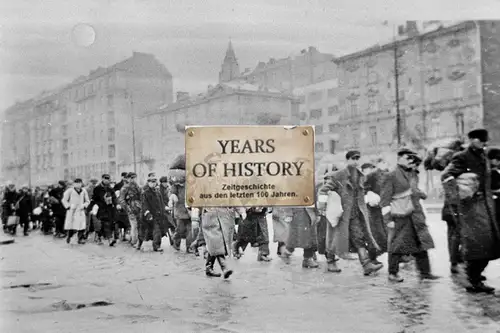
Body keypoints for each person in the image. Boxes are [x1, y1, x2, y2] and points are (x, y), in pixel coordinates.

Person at [442, 129, 500, 293]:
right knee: (479, 243)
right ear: (472, 140)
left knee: (489, 243)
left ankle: (474, 274)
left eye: (485, 141)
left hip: (487, 205)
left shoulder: (483, 156)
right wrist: (461, 194)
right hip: (471, 208)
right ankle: (473, 279)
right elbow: (446, 176)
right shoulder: (462, 157)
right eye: (481, 141)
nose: (484, 144)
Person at [317, 150, 382, 276]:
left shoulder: (361, 176)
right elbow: (323, 190)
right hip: (341, 215)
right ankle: (330, 261)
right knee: (335, 239)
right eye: (353, 158)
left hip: (356, 214)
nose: (356, 161)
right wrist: (323, 207)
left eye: (358, 158)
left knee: (359, 238)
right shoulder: (339, 175)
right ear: (347, 160)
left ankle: (366, 264)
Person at [380, 148, 439, 283]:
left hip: (416, 214)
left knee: (421, 242)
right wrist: (388, 219)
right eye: (408, 158)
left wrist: (420, 193)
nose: (411, 161)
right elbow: (384, 200)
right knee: (396, 245)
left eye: (412, 158)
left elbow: (413, 190)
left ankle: (425, 272)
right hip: (400, 216)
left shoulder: (413, 173)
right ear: (399, 158)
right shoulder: (391, 176)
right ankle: (393, 273)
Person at [362, 158, 390, 267]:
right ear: (378, 164)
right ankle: (371, 258)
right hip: (373, 209)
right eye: (382, 162)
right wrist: (370, 195)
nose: (384, 165)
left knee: (386, 233)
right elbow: (364, 188)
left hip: (385, 207)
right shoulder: (372, 175)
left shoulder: (389, 174)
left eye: (385, 162)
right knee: (376, 234)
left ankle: (374, 256)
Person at [140, 175, 165, 252]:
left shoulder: (158, 192)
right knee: (143, 231)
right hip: (149, 215)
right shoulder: (145, 193)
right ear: (148, 183)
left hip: (158, 215)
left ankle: (157, 246)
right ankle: (139, 243)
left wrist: (163, 211)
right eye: (151, 182)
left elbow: (161, 203)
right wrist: (147, 213)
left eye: (154, 182)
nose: (153, 184)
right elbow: (144, 204)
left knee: (157, 230)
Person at [92, 174, 118, 246]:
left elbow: (114, 198)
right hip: (101, 209)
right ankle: (110, 239)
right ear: (102, 179)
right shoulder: (97, 188)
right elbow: (94, 199)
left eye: (108, 179)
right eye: (106, 178)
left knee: (107, 224)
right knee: (105, 224)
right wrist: (100, 203)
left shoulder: (110, 188)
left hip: (110, 209)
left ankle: (99, 236)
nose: (107, 180)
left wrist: (116, 204)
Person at [62, 178, 90, 244]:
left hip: (80, 210)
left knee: (81, 225)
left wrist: (84, 205)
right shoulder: (70, 191)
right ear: (74, 184)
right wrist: (68, 206)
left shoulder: (84, 191)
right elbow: (64, 200)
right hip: (72, 210)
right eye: (76, 183)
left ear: (81, 183)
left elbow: (87, 201)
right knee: (72, 225)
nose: (78, 184)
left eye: (79, 183)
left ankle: (80, 239)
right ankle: (69, 236)